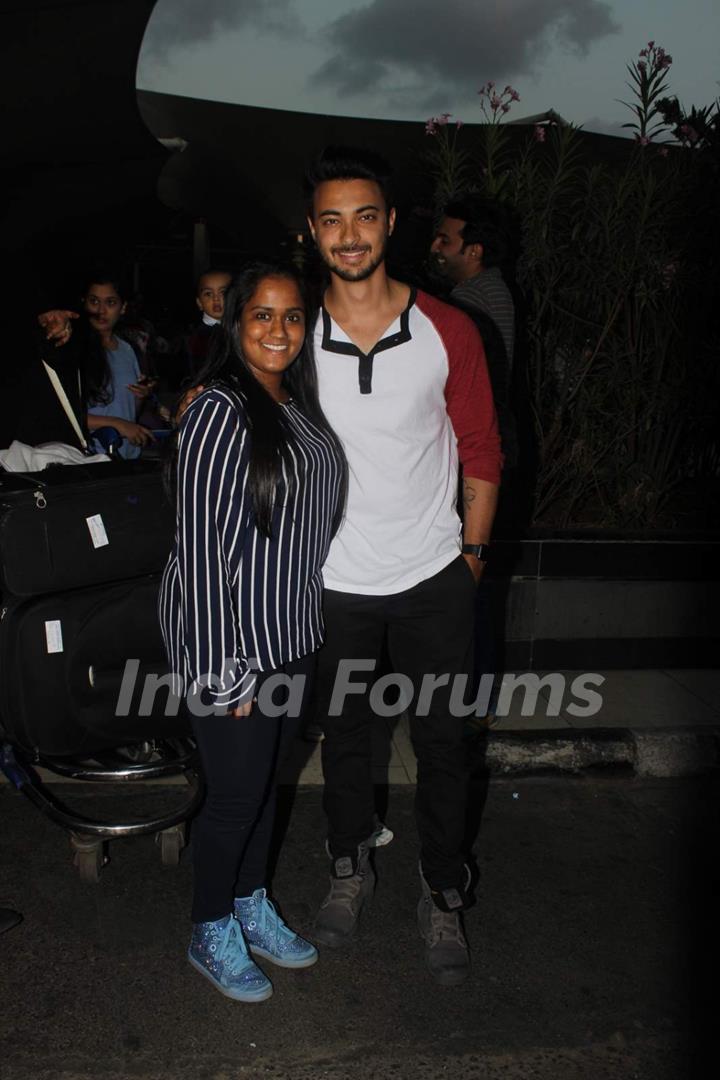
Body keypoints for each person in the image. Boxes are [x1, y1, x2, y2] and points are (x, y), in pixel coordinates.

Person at [304, 146, 502, 985]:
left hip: (431, 575)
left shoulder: (450, 329)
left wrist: (471, 561)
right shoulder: (290, 335)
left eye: (365, 216)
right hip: (337, 581)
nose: (349, 236)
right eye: (331, 219)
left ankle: (442, 889)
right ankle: (350, 867)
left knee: (446, 739)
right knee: (348, 738)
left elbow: (482, 452)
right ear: (311, 231)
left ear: (390, 222)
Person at [159, 261, 346, 1003]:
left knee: (265, 787)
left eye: (292, 316)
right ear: (235, 324)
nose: (278, 329)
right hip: (230, 645)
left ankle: (247, 903)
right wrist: (219, 668)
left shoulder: (297, 405)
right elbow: (199, 551)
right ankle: (210, 926)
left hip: (289, 634)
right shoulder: (217, 410)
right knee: (236, 796)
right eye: (262, 315)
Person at [83, 273, 156, 458]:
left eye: (110, 303)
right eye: (94, 301)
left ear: (122, 308)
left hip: (126, 453)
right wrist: (118, 424)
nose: (101, 310)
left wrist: (141, 395)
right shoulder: (75, 350)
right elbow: (65, 416)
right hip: (88, 456)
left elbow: (129, 409)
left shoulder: (127, 350)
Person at [186, 268, 233, 379]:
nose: (216, 299)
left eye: (223, 293)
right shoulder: (199, 338)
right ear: (199, 303)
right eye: (208, 294)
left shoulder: (243, 330)